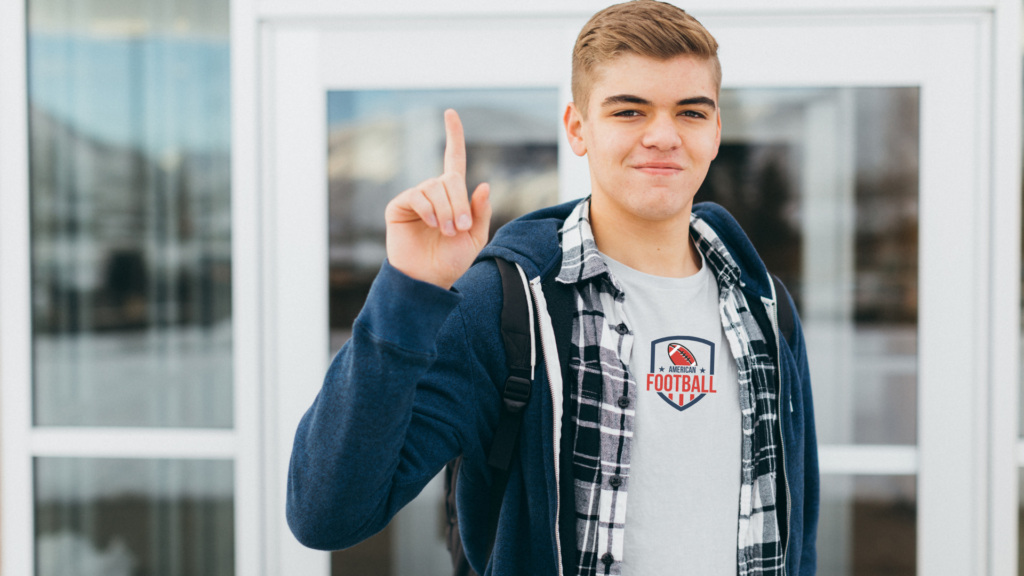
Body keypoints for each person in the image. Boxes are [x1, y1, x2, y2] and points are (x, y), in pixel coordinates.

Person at [286, 1, 819, 575]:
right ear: (577, 129)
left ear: (715, 131)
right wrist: (408, 292)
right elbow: (327, 515)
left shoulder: (764, 306)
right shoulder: (504, 305)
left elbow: (797, 531)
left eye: (690, 112)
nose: (663, 136)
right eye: (629, 111)